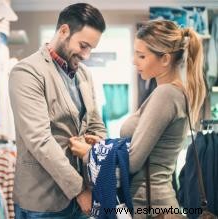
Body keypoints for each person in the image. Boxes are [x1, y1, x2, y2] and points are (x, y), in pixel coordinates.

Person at [69, 19, 206, 218]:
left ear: (165, 59)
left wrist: (90, 153)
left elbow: (133, 161)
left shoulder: (166, 94)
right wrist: (103, 146)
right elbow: (143, 148)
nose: (134, 61)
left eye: (141, 56)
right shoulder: (170, 93)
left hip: (152, 207)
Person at [8, 3, 107, 219]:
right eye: (83, 45)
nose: (87, 55)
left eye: (91, 48)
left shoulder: (84, 75)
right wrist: (79, 189)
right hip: (43, 201)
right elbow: (39, 140)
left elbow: (96, 123)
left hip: (82, 197)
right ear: (63, 31)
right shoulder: (27, 72)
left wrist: (98, 142)